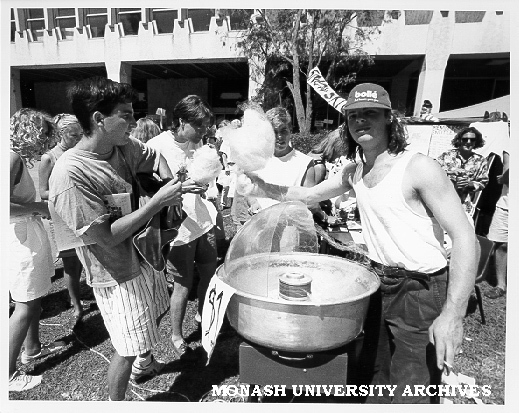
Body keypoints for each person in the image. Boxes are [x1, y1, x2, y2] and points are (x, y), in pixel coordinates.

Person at [243, 83, 477, 403]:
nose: (361, 121)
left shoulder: (419, 167)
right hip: (380, 283)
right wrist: (262, 185)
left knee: (412, 387)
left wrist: (453, 314)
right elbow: (310, 194)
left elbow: (466, 237)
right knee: (373, 377)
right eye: (354, 116)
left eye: (370, 114)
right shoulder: (355, 170)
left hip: (422, 289)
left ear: (388, 120)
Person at [48, 77, 202, 400]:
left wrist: (167, 182)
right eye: (126, 115)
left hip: (144, 257)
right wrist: (159, 200)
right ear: (99, 120)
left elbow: (153, 157)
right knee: (125, 348)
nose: (134, 122)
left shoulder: (122, 146)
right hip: (116, 272)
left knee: (152, 315)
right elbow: (105, 238)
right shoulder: (70, 174)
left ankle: (144, 365)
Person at [146, 95, 218, 360]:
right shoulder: (155, 147)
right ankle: (176, 334)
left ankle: (203, 316)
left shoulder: (197, 143)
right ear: (180, 121)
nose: (202, 131)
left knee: (210, 274)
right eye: (198, 126)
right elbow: (149, 188)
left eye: (205, 126)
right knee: (183, 283)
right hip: (179, 229)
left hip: (203, 221)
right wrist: (179, 187)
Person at [9, 108, 65, 391]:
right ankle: (6, 374)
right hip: (19, 234)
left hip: (27, 230)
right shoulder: (12, 157)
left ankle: (32, 348)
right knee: (24, 303)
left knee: (35, 294)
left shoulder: (15, 156)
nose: (46, 140)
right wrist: (37, 207)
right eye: (44, 134)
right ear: (30, 131)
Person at [39, 113, 85, 328]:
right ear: (61, 134)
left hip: (81, 213)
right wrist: (67, 191)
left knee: (87, 257)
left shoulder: (80, 153)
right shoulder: (49, 158)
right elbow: (43, 192)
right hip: (61, 216)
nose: (78, 138)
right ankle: (76, 304)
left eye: (80, 134)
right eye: (74, 135)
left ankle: (82, 295)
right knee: (71, 264)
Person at [436, 126, 489, 212]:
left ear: (476, 142)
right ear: (459, 140)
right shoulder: (446, 156)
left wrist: (469, 184)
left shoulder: (480, 160)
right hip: (442, 200)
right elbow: (432, 172)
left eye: (472, 140)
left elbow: (483, 182)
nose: (468, 142)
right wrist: (450, 172)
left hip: (464, 205)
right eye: (465, 139)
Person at [485, 147, 509, 299]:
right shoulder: (510, 148)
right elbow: (504, 175)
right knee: (501, 244)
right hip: (506, 204)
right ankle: (501, 285)